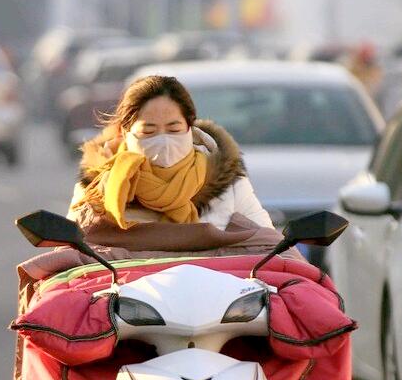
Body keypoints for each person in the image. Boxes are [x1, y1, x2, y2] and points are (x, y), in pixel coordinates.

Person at [67, 74, 283, 253]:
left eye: (174, 129)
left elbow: (267, 245)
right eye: (149, 132)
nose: (164, 141)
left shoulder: (226, 181)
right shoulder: (98, 188)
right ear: (125, 133)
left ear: (190, 128)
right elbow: (73, 253)